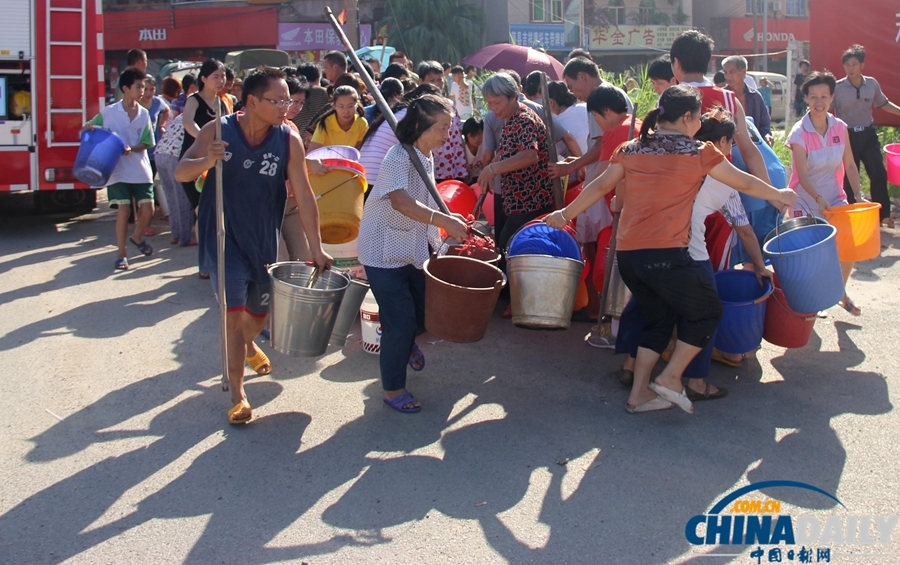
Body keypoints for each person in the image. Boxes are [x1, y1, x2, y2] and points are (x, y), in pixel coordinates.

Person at [545, 85, 796, 414]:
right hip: (666, 255)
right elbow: (744, 183)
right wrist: (779, 194)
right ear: (688, 117)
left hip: (630, 257)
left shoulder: (632, 148)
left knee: (658, 320)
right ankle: (670, 377)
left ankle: (638, 395)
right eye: (696, 119)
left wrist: (565, 214)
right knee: (707, 312)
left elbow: (600, 185)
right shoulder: (699, 151)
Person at [176, 66, 332, 425]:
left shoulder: (288, 138)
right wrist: (207, 160)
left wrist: (317, 248)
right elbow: (180, 172)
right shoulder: (218, 129)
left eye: (288, 101)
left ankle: (248, 345)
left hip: (264, 240)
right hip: (225, 239)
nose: (285, 107)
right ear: (251, 101)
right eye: (277, 101)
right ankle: (237, 394)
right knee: (233, 319)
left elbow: (305, 196)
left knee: (258, 315)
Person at [617, 107, 771, 398]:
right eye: (731, 143)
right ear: (722, 143)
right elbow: (744, 229)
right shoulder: (722, 175)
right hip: (689, 254)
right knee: (703, 315)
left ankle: (631, 366)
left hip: (647, 248)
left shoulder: (669, 159)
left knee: (649, 309)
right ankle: (694, 382)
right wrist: (759, 264)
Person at [357, 95, 468, 413]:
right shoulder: (398, 156)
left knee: (423, 313)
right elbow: (401, 201)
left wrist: (447, 236)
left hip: (412, 248)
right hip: (381, 250)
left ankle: (405, 347)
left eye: (449, 128)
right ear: (420, 126)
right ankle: (394, 389)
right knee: (399, 322)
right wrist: (444, 220)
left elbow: (428, 204)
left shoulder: (426, 156)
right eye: (442, 128)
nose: (447, 136)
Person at [787, 71, 868, 316]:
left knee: (848, 248)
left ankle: (839, 294)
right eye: (813, 97)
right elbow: (801, 174)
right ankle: (815, 300)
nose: (819, 102)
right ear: (806, 99)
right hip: (806, 201)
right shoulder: (799, 133)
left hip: (835, 198)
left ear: (832, 98)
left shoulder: (840, 127)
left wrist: (858, 193)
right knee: (814, 256)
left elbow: (851, 165)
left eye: (824, 96)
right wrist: (817, 198)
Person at [81, 67, 156, 270]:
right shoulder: (108, 113)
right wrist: (88, 128)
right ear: (125, 88)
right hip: (116, 170)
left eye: (144, 87)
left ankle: (136, 236)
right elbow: (89, 127)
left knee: (147, 209)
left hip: (140, 168)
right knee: (124, 211)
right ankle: (121, 254)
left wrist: (132, 149)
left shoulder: (144, 114)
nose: (142, 91)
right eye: (138, 87)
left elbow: (148, 142)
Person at [477, 73, 554, 259]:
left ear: (513, 97)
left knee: (508, 252)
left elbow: (529, 155)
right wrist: (491, 168)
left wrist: (492, 169)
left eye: (497, 102)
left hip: (530, 200)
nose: (493, 108)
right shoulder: (510, 119)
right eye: (490, 103)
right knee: (507, 250)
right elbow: (509, 151)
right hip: (518, 201)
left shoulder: (522, 120)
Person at [833, 44, 900, 226]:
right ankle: (852, 214)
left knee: (878, 172)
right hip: (847, 136)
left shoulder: (872, 84)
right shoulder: (837, 87)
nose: (850, 68)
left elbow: (883, 103)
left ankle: (883, 215)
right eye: (847, 65)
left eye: (854, 64)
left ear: (862, 65)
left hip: (868, 134)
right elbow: (826, 110)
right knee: (847, 176)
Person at [180, 59, 228, 278]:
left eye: (223, 76)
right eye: (216, 76)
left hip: (216, 164)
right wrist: (204, 139)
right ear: (203, 79)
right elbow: (188, 122)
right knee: (202, 211)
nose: (221, 81)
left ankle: (216, 257)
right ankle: (205, 261)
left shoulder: (224, 103)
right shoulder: (194, 100)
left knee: (215, 213)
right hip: (195, 164)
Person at [359, 84, 442, 192]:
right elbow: (420, 155)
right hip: (377, 175)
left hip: (364, 172)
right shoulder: (412, 116)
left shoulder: (399, 111)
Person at [418, 61, 468, 183]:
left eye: (439, 79)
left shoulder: (450, 105)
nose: (436, 84)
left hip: (453, 168)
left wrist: (464, 165)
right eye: (432, 80)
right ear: (421, 81)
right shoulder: (418, 107)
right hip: (431, 170)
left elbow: (458, 138)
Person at [154, 114, 194, 247]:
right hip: (175, 155)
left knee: (171, 198)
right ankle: (184, 237)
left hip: (160, 152)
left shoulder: (184, 115)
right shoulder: (203, 114)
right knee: (183, 198)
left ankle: (175, 234)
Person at [722, 55, 772, 142]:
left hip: (754, 145)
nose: (728, 76)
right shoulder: (722, 95)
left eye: (732, 72)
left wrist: (767, 136)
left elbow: (764, 124)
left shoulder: (755, 97)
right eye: (725, 73)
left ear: (743, 71)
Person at [307, 85, 368, 151]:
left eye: (350, 106)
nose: (346, 111)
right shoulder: (325, 123)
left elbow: (359, 151)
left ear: (357, 104)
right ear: (334, 106)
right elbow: (311, 155)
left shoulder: (362, 123)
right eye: (341, 107)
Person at [546, 81, 588, 157]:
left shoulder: (556, 124)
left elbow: (554, 153)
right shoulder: (586, 107)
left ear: (551, 102)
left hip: (584, 165)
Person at [462, 115, 485, 183]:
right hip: (463, 179)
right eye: (473, 135)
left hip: (479, 178)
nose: (477, 138)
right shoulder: (461, 147)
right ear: (466, 135)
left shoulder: (486, 146)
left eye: (479, 134)